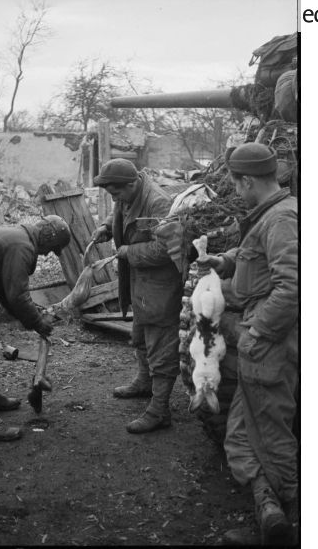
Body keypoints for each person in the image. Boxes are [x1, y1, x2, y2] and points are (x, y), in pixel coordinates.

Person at [201, 143, 298, 545]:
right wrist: (225, 261)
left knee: (272, 436)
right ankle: (268, 513)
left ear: (247, 180)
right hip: (262, 338)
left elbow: (292, 286)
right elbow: (256, 256)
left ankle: (295, 526)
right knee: (241, 432)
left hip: (269, 340)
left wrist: (256, 334)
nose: (236, 191)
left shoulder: (281, 218)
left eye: (236, 184)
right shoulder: (272, 215)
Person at [0, 216, 71, 441]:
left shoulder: (17, 237)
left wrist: (31, 318)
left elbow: (3, 289)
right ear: (47, 236)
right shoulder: (23, 246)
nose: (48, 253)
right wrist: (38, 322)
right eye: (52, 248)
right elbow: (17, 295)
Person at [92, 159, 182, 434]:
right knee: (140, 336)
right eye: (111, 195)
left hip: (161, 286)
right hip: (140, 282)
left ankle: (159, 410)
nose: (115, 199)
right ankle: (144, 381)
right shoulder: (129, 194)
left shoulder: (159, 204)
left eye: (116, 193)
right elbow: (121, 209)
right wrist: (107, 227)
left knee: (162, 346)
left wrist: (128, 253)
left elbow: (167, 250)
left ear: (131, 184)